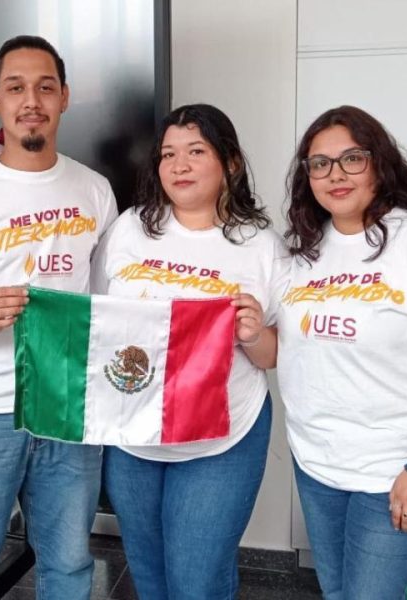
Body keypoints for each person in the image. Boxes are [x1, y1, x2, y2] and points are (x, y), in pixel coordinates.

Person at [0, 35, 118, 600]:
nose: (31, 100)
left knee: (70, 564)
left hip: (67, 406)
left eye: (44, 87)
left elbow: (105, 306)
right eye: (15, 88)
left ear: (64, 98)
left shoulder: (95, 190)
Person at [276, 105, 407, 599]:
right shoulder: (304, 251)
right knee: (337, 592)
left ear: (379, 163)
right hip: (317, 464)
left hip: (395, 467)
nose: (335, 174)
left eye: (352, 158)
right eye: (320, 163)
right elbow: (280, 351)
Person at [91, 103, 278, 600]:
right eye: (168, 154)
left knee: (198, 583)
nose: (180, 165)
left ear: (230, 163)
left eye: (196, 151)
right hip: (133, 436)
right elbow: (99, 320)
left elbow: (273, 354)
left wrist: (253, 333)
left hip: (220, 438)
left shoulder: (261, 245)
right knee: (149, 576)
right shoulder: (130, 228)